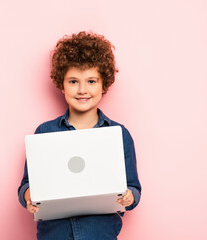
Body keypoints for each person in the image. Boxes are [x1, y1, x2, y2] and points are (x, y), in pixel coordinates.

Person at [18, 31, 141, 240]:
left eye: (91, 81)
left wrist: (129, 196)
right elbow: (26, 186)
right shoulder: (44, 133)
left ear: (104, 84)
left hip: (100, 235)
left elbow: (133, 187)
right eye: (73, 81)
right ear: (62, 84)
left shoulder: (119, 135)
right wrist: (29, 196)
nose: (82, 89)